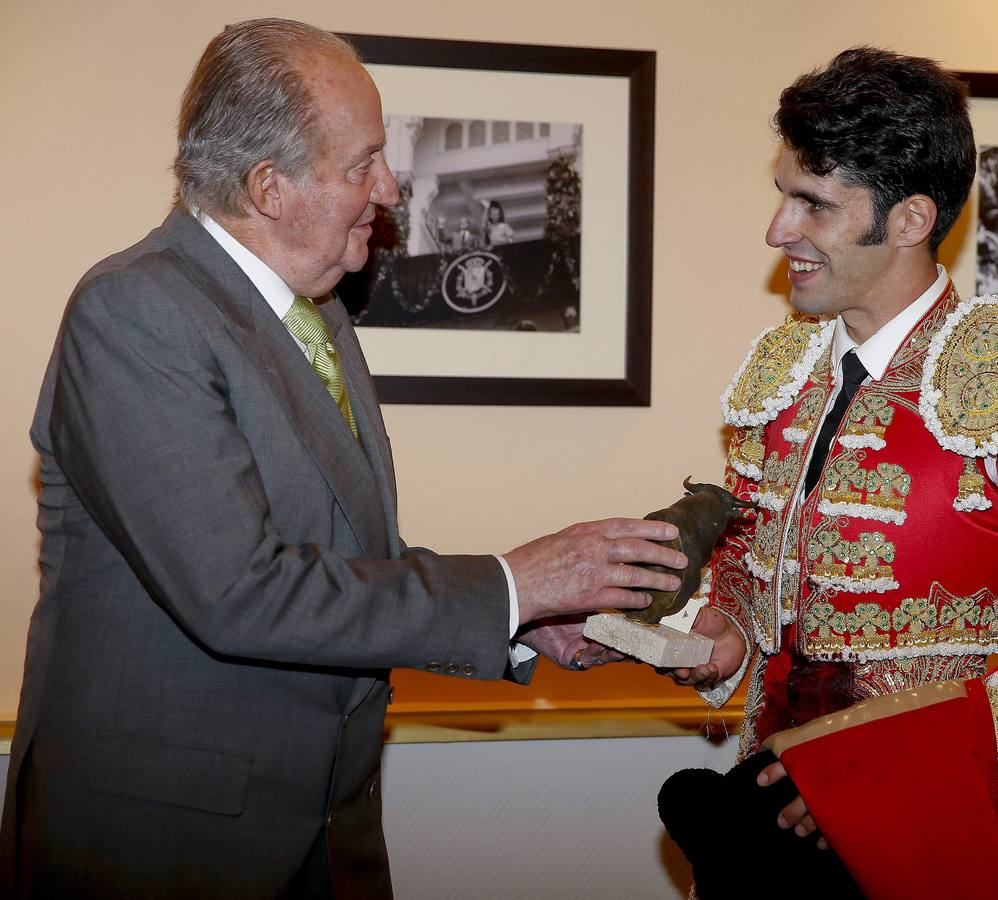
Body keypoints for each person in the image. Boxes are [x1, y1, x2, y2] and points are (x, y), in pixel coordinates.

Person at [1, 19, 686, 899]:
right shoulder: (136, 311)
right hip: (164, 843)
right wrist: (511, 583)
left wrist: (522, 620)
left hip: (328, 834)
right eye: (362, 164)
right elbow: (240, 593)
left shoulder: (317, 317)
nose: (392, 188)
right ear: (269, 187)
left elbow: (343, 566)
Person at [663, 47, 998, 898]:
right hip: (755, 825)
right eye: (784, 195)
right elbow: (752, 559)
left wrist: (884, 771)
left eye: (812, 204)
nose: (778, 230)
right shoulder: (780, 373)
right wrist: (729, 626)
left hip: (923, 832)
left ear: (909, 219)